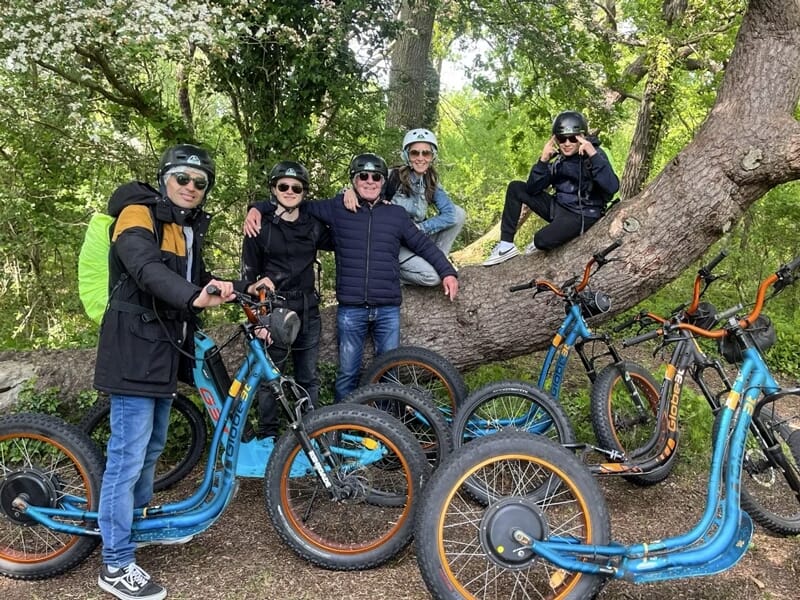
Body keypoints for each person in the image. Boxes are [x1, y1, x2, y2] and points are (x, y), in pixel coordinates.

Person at [93, 144, 238, 600]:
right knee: (128, 455)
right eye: (183, 178)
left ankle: (135, 528)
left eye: (200, 182)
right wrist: (194, 297)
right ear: (165, 179)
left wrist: (228, 285)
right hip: (134, 350)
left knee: (152, 446)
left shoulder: (185, 226)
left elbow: (191, 276)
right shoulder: (137, 214)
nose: (191, 187)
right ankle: (115, 563)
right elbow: (145, 268)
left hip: (160, 353)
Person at [245, 153, 459, 402]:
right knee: (347, 374)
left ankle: (385, 433)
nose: (370, 181)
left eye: (376, 177)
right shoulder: (338, 207)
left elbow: (423, 244)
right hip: (351, 310)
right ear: (354, 180)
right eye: (363, 176)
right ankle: (338, 432)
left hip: (387, 309)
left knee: (388, 373)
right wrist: (256, 208)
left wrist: (447, 272)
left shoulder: (396, 215)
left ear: (382, 182)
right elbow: (294, 201)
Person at [240, 160, 332, 446]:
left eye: (296, 187)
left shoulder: (314, 226)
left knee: (308, 377)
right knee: (270, 379)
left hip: (307, 309)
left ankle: (311, 435)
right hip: (272, 310)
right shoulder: (258, 226)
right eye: (283, 186)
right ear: (273, 189)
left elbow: (348, 231)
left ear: (304, 192)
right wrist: (258, 319)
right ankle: (269, 438)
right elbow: (248, 275)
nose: (290, 191)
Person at [483, 110, 619, 266]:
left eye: (572, 138)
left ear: (582, 137)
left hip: (582, 214)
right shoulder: (559, 160)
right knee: (516, 187)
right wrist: (543, 160)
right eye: (562, 139)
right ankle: (506, 246)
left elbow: (612, 187)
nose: (567, 144)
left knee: (540, 240)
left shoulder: (595, 156)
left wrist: (592, 154)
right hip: (559, 206)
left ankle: (549, 238)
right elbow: (532, 189)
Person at [343, 128, 465, 286]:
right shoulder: (392, 176)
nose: (420, 158)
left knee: (459, 213)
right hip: (394, 244)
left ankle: (438, 263)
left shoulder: (431, 182)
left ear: (432, 156)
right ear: (407, 155)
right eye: (415, 153)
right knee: (432, 278)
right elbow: (365, 184)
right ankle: (392, 274)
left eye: (426, 153)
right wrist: (348, 191)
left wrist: (420, 227)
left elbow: (450, 215)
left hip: (416, 239)